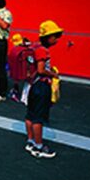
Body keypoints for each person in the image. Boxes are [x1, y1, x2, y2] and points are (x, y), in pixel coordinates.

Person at [25, 20, 63, 159]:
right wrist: (53, 74)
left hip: (32, 85)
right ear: (48, 37)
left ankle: (30, 141)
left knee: (30, 115)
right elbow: (41, 70)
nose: (57, 39)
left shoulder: (35, 47)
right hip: (41, 85)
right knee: (38, 118)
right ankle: (39, 146)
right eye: (55, 36)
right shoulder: (42, 50)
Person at [7, 33, 32, 103]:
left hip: (21, 69)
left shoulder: (17, 50)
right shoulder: (25, 48)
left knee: (18, 80)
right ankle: (18, 93)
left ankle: (18, 93)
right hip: (24, 68)